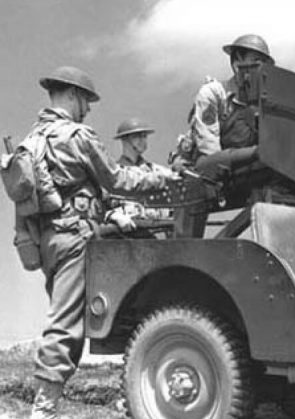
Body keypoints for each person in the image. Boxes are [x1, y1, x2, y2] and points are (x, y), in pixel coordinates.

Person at [21, 66, 178, 419]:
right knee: (66, 325)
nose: (89, 109)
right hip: (76, 237)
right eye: (87, 101)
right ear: (74, 96)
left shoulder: (32, 139)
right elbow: (115, 179)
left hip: (49, 242)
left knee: (76, 317)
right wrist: (162, 178)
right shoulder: (77, 137)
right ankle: (42, 410)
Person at [169, 34, 274, 237]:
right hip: (202, 173)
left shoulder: (264, 102)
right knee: (185, 244)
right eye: (255, 62)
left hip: (240, 170)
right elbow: (210, 152)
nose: (260, 70)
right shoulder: (213, 94)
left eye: (262, 64)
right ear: (236, 63)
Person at [108, 118, 173, 223]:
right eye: (137, 136)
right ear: (125, 139)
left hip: (156, 230)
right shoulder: (115, 174)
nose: (143, 140)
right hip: (126, 233)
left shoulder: (156, 171)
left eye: (144, 136)